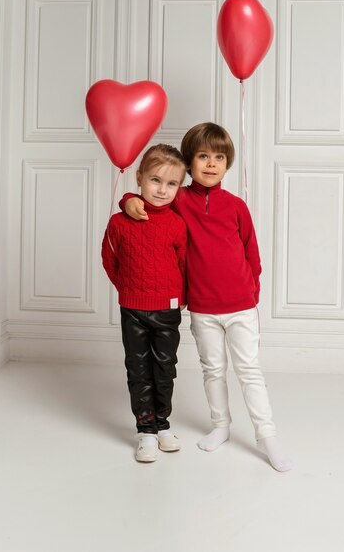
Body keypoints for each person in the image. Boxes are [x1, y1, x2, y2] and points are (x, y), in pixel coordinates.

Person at [120, 123, 293, 472]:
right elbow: (148, 200)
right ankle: (221, 426)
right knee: (213, 369)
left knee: (249, 370)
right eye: (203, 156)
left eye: (219, 157)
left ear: (227, 163)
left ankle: (266, 434)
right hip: (202, 308)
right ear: (189, 162)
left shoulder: (237, 206)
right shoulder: (180, 198)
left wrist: (252, 292)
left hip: (241, 306)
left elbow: (252, 253)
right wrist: (128, 201)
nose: (211, 164)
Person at [102, 144, 187, 463]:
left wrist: (181, 298)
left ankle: (163, 425)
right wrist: (127, 289)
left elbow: (183, 263)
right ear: (138, 178)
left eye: (171, 184)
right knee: (138, 369)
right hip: (133, 309)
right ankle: (146, 431)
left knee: (165, 368)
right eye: (155, 180)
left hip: (167, 309)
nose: (163, 190)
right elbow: (109, 258)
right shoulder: (119, 222)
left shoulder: (177, 223)